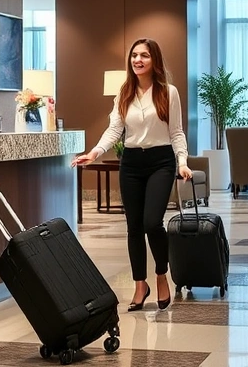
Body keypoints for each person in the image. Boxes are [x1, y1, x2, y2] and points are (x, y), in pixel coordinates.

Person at [71, 38, 192, 312]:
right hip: (132, 162)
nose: (138, 60)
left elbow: (176, 132)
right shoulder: (124, 92)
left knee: (152, 223)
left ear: (154, 60)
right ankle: (140, 284)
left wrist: (182, 162)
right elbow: (115, 129)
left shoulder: (168, 92)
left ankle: (161, 275)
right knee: (134, 227)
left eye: (144, 56)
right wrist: (94, 152)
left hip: (161, 161)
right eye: (134, 55)